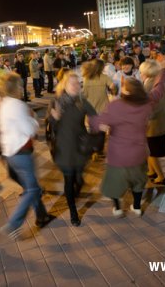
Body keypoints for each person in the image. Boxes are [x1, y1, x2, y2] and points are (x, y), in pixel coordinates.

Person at [90, 70, 165, 217]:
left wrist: (99, 124)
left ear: (126, 91)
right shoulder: (147, 102)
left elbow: (96, 121)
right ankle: (137, 207)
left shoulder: (116, 106)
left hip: (117, 155)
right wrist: (163, 72)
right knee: (138, 182)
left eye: (124, 86)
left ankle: (118, 209)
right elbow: (159, 89)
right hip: (138, 153)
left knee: (113, 183)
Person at [0, 73, 52, 239]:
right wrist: (34, 119)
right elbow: (30, 130)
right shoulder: (18, 105)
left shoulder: (4, 105)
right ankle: (13, 224)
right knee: (33, 189)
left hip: (10, 153)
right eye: (20, 85)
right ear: (16, 88)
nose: (22, 88)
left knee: (31, 186)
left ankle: (42, 216)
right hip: (21, 151)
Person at [47, 71, 97, 226]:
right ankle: (73, 211)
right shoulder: (56, 102)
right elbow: (49, 127)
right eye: (73, 83)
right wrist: (54, 119)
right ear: (65, 85)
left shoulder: (82, 101)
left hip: (80, 146)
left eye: (78, 83)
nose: (76, 86)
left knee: (79, 180)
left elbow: (94, 116)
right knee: (69, 180)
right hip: (64, 148)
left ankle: (75, 192)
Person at [140, 60, 165, 185]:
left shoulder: (148, 88)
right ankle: (151, 171)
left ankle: (161, 177)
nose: (140, 74)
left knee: (151, 153)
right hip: (159, 122)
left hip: (151, 125)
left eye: (141, 72)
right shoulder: (160, 85)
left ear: (146, 73)